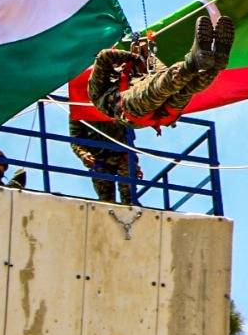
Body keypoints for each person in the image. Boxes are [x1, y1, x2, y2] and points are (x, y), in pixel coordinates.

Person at [88, 14, 234, 129]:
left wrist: (147, 56)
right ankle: (195, 62)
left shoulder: (139, 72)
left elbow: (164, 75)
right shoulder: (96, 91)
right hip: (132, 108)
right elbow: (103, 57)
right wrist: (134, 57)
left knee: (187, 86)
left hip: (160, 112)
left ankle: (215, 64)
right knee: (161, 86)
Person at [69, 117, 140, 205]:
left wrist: (133, 160)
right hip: (98, 159)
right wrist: (83, 154)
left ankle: (131, 208)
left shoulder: (114, 105)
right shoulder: (79, 109)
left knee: (130, 198)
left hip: (122, 155)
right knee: (106, 201)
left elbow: (129, 136)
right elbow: (75, 139)